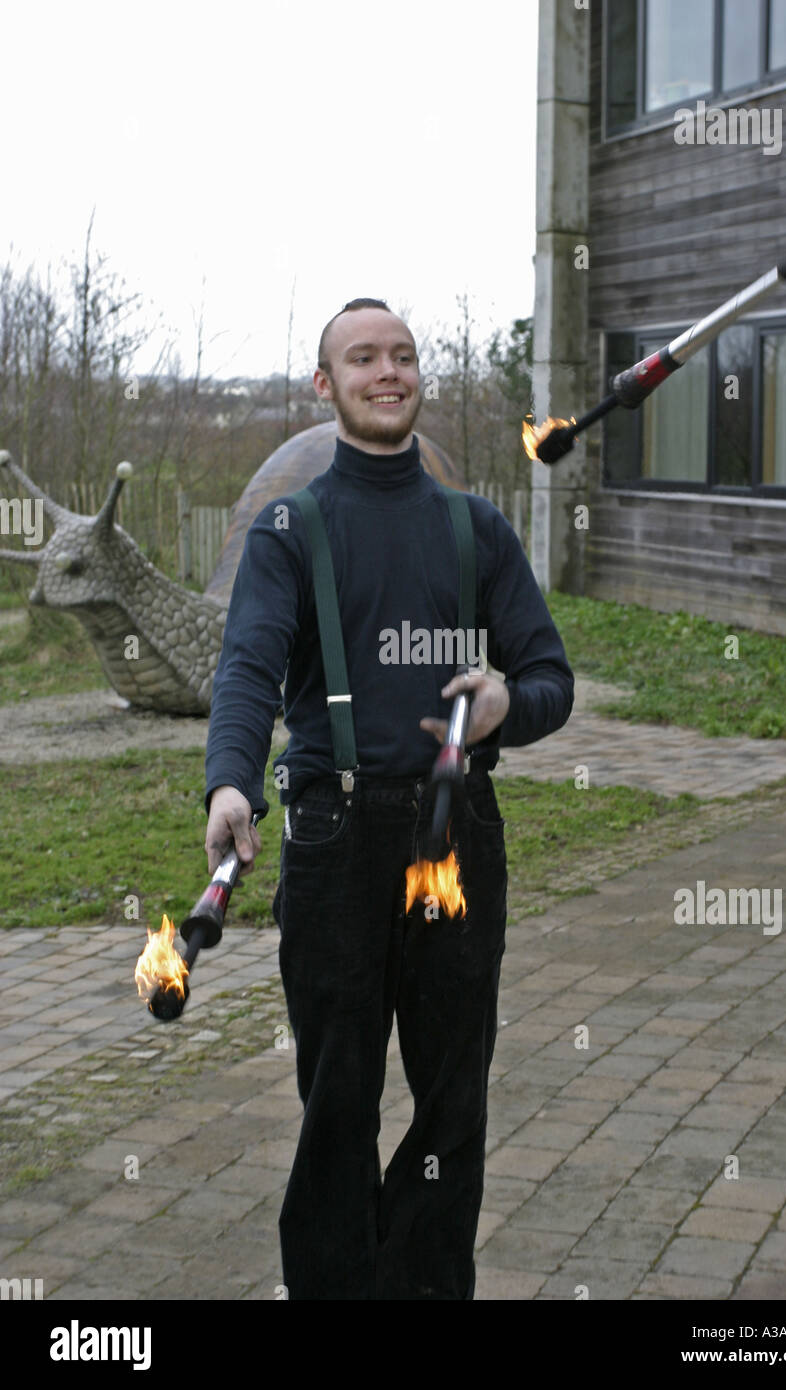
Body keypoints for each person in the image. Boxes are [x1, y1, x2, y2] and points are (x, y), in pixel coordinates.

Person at [203, 297, 574, 1299]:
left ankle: (420, 1281)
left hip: (454, 846)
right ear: (325, 387)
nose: (387, 371)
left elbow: (549, 678)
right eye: (361, 358)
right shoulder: (292, 529)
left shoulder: (475, 528)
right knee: (338, 1099)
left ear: (418, 379)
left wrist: (505, 701)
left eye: (402, 356)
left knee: (453, 1099)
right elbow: (245, 669)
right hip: (334, 841)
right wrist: (231, 779)